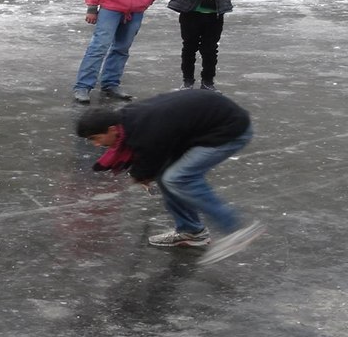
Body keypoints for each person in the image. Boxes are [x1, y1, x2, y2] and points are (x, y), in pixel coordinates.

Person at [76, 90, 265, 265]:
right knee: (165, 177)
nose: (95, 144)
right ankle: (192, 233)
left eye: (95, 138)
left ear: (112, 130)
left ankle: (235, 229)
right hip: (203, 126)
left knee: (177, 178)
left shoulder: (146, 129)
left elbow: (151, 153)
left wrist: (142, 176)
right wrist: (143, 175)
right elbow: (152, 157)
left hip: (230, 131)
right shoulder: (128, 123)